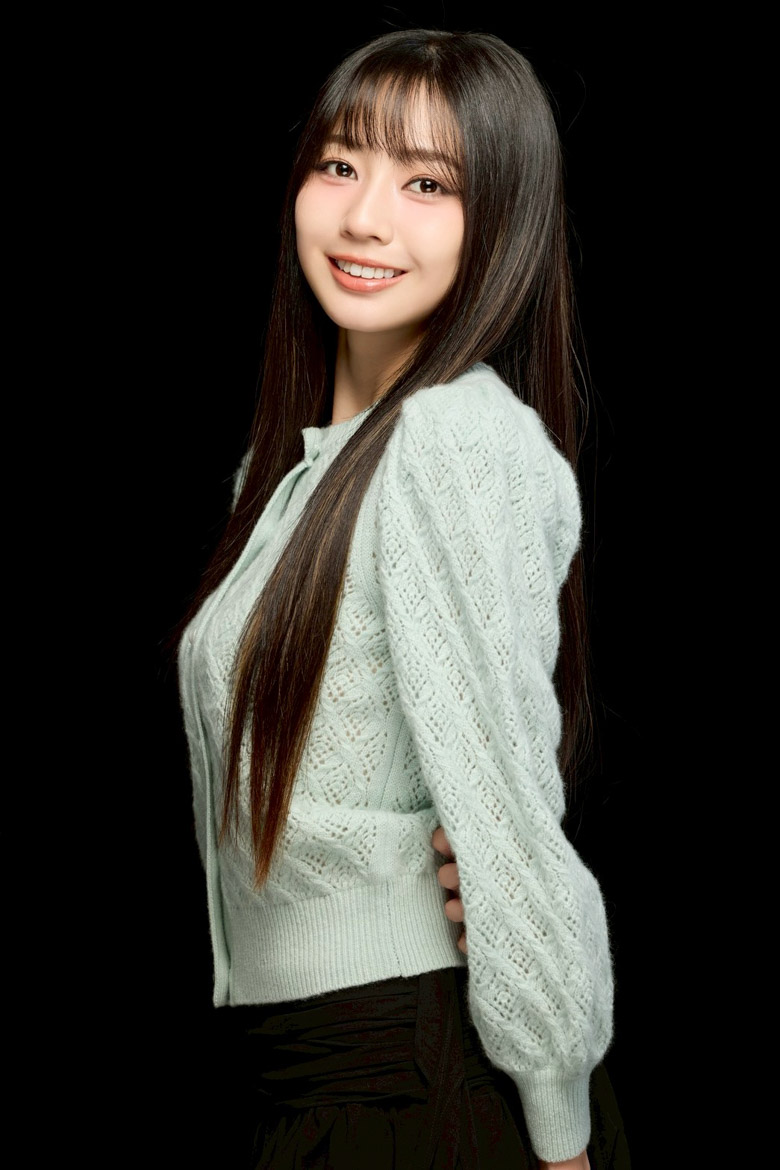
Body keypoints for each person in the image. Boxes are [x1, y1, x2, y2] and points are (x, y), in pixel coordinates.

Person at [175, 27, 629, 1170]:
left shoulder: (451, 437)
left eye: (428, 184)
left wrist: (562, 1134)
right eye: (341, 164)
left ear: (502, 224)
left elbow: (508, 816)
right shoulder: (287, 477)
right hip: (305, 1074)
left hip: (418, 1081)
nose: (366, 217)